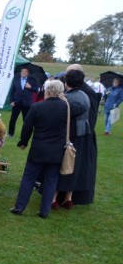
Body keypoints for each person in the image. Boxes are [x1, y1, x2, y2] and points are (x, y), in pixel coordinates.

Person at [11, 80, 67, 219]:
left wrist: (23, 142)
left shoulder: (37, 107)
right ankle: (44, 211)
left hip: (39, 148)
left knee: (29, 178)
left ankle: (20, 206)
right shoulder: (66, 107)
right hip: (56, 150)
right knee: (51, 180)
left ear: (47, 90)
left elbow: (27, 127)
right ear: (60, 92)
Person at [54, 70, 91, 210]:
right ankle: (69, 197)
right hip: (84, 134)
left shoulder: (68, 98)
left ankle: (54, 198)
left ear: (67, 82)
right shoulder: (85, 95)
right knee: (75, 165)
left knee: (64, 164)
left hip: (71, 134)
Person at [65, 63, 99, 205]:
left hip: (82, 135)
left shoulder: (87, 92)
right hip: (74, 133)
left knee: (77, 166)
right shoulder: (75, 90)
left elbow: (91, 116)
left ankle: (71, 196)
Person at [7, 67, 39, 138]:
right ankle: (10, 133)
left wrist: (30, 87)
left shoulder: (32, 80)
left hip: (27, 103)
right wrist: (11, 101)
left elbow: (36, 90)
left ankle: (24, 135)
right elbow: (11, 92)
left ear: (28, 73)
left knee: (26, 120)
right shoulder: (16, 79)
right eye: (22, 71)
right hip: (16, 103)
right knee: (13, 119)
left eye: (25, 71)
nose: (23, 72)